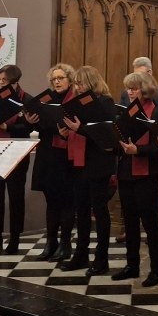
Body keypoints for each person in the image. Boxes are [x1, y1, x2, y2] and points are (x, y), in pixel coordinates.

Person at [60, 65, 118, 275]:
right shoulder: (77, 102)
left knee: (99, 211)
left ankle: (102, 259)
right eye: (76, 84)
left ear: (92, 82)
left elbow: (107, 132)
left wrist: (80, 129)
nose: (78, 87)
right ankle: (81, 255)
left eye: (81, 83)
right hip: (79, 161)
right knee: (81, 210)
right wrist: (66, 131)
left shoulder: (105, 101)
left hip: (98, 162)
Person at [114, 71, 158, 286]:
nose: (130, 92)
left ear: (145, 90)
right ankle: (132, 266)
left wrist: (139, 150)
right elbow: (119, 141)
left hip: (148, 175)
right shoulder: (126, 113)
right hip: (127, 173)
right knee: (130, 222)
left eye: (134, 88)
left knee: (150, 223)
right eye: (128, 88)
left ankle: (156, 270)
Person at [0, 64, 39, 254]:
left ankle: (14, 240)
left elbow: (30, 128)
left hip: (16, 151)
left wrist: (8, 127)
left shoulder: (28, 100)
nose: (1, 83)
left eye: (4, 80)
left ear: (15, 81)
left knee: (16, 197)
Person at [30, 63, 77, 261]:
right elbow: (41, 124)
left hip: (66, 156)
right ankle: (51, 243)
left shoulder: (75, 99)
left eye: (60, 78)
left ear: (70, 80)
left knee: (66, 200)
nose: (56, 82)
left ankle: (65, 244)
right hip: (48, 153)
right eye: (54, 79)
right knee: (51, 201)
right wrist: (31, 121)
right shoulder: (46, 99)